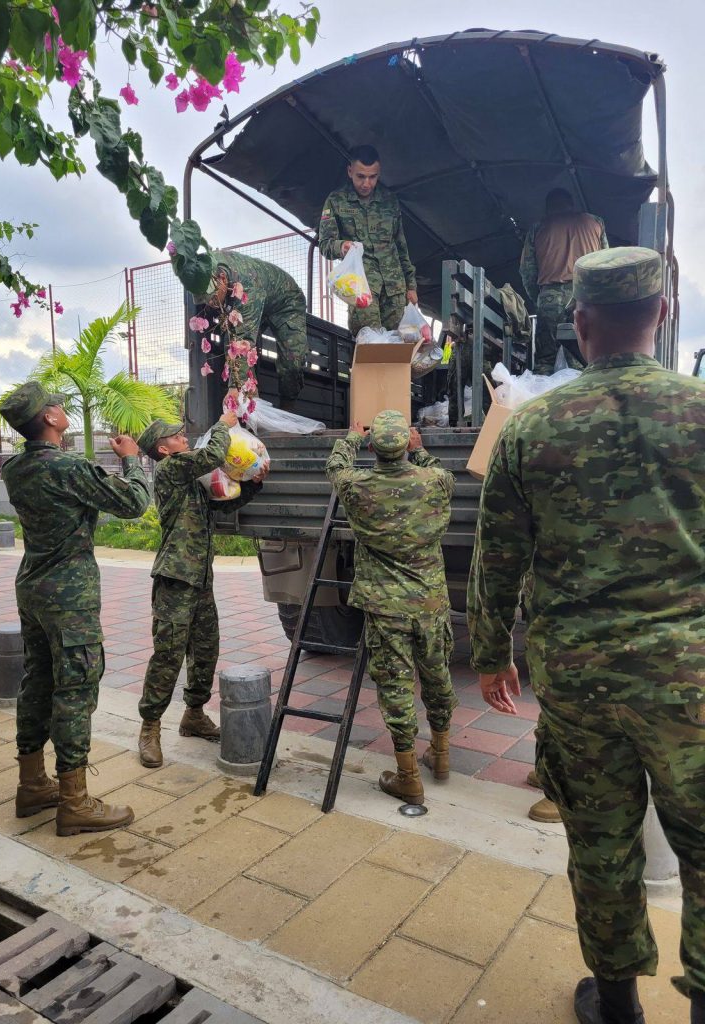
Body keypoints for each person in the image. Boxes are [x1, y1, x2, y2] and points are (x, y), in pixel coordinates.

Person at [467, 247, 705, 1024]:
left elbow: (496, 557)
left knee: (601, 848)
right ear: (663, 314)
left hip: (579, 683)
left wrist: (492, 652)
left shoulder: (533, 427)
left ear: (579, 324)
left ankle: (616, 1007)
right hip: (692, 679)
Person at [0, 382, 151, 837]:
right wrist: (131, 459)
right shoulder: (67, 467)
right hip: (70, 596)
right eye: (57, 405)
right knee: (75, 689)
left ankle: (32, 785)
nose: (63, 409)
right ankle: (74, 802)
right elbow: (134, 504)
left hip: (33, 587)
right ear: (48, 418)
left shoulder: (15, 468)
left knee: (37, 680)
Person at [325, 410, 457, 805]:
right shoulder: (436, 481)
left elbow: (335, 466)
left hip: (385, 606)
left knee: (395, 685)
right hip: (430, 601)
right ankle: (442, 755)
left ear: (373, 448)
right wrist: (421, 451)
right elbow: (439, 470)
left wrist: (349, 437)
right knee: (437, 675)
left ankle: (408, 777)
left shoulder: (355, 486)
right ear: (406, 444)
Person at [135, 413, 267, 767]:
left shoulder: (190, 482)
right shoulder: (169, 470)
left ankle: (193, 715)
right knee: (168, 655)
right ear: (163, 449)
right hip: (176, 579)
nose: (183, 437)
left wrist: (254, 485)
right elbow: (212, 455)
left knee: (206, 650)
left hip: (200, 581)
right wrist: (224, 424)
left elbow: (221, 507)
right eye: (177, 436)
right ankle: (149, 727)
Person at [318, 145, 418, 338]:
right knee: (370, 346)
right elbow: (325, 244)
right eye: (361, 176)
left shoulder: (390, 200)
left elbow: (401, 246)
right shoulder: (336, 201)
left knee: (399, 348)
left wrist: (411, 286)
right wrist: (342, 246)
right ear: (350, 172)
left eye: (372, 177)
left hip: (395, 289)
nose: (366, 183)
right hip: (362, 288)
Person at [196, 250, 308, 411]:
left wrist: (235, 386)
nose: (211, 304)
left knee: (292, 361)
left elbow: (243, 339)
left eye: (213, 297)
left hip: (286, 303)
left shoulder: (246, 286)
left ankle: (287, 410)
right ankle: (252, 412)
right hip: (255, 299)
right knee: (231, 346)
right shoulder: (201, 272)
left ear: (222, 279)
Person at [519, 188, 608, 374]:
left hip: (550, 296)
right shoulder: (595, 223)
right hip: (585, 296)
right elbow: (606, 264)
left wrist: (541, 298)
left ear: (548, 208)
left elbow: (527, 271)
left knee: (546, 359)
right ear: (571, 204)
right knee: (582, 357)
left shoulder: (538, 228)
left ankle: (543, 400)